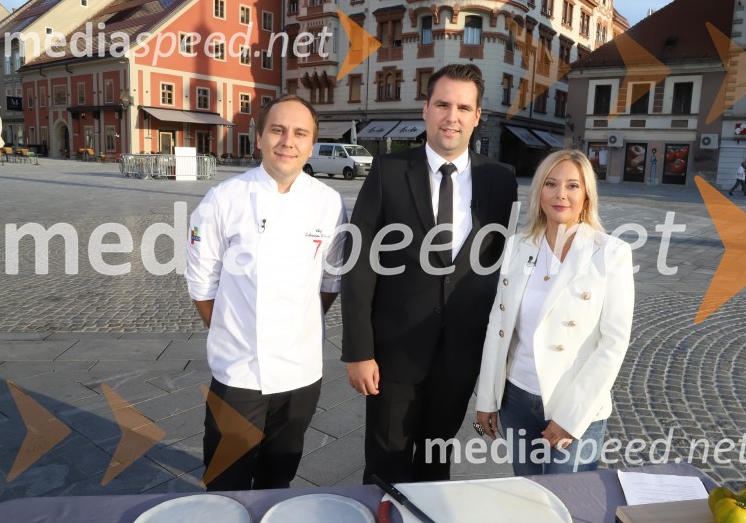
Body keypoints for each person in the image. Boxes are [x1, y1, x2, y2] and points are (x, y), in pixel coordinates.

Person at [342, 64, 519, 484]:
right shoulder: (388, 171)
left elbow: (502, 267)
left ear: (478, 117)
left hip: (460, 353)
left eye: (463, 107)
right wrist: (358, 350)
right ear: (425, 109)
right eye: (442, 104)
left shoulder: (501, 179)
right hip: (393, 353)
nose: (451, 116)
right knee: (387, 461)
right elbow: (359, 263)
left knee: (436, 459)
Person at [185, 94, 347, 490]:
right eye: (277, 130)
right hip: (239, 372)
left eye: (299, 133)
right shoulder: (223, 199)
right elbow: (201, 282)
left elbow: (330, 280)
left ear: (311, 143)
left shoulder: (329, 203)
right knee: (226, 485)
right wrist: (230, 331)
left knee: (279, 481)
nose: (287, 141)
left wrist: (301, 325)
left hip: (301, 373)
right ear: (259, 138)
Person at [475, 149, 634, 475]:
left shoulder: (611, 253)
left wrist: (571, 417)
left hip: (574, 404)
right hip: (516, 399)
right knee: (530, 495)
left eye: (573, 186)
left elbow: (613, 344)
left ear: (587, 195)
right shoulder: (517, 245)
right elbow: (498, 326)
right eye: (551, 183)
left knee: (567, 505)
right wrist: (486, 400)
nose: (561, 194)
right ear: (539, 192)